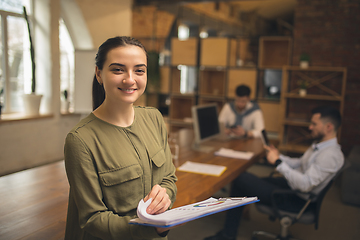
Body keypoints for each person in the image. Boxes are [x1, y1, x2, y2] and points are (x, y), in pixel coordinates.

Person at [64, 36, 177, 240]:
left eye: (139, 70)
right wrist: (151, 227)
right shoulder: (80, 140)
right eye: (118, 69)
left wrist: (165, 197)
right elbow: (92, 218)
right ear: (99, 73)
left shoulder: (154, 118)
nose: (130, 79)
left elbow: (169, 178)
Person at [204, 105, 344, 240]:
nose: (310, 127)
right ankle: (230, 231)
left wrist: (278, 163)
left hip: (296, 199)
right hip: (290, 187)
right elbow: (299, 163)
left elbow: (305, 185)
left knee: (241, 179)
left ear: (328, 127)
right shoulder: (320, 146)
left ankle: (228, 234)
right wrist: (278, 156)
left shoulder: (330, 156)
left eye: (314, 124)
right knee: (244, 180)